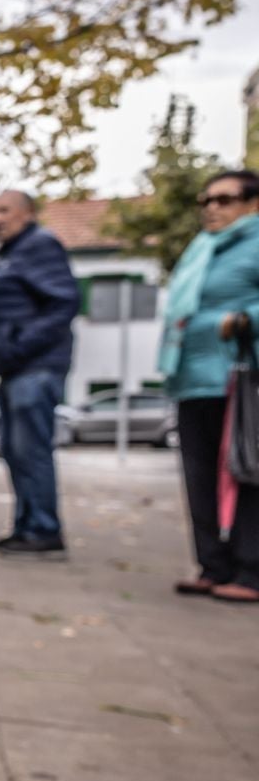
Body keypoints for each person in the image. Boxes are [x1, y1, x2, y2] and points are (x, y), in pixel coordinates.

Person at [161, 168, 259, 603]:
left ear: (252, 204)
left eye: (225, 199)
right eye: (207, 201)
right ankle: (212, 564)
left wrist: (243, 320)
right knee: (199, 474)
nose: (213, 208)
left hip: (240, 376)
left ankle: (250, 569)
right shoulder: (202, 249)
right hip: (193, 377)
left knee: (244, 471)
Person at [0, 190, 81, 558]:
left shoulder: (39, 245)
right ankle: (27, 527)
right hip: (15, 369)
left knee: (31, 451)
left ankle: (44, 530)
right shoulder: (12, 254)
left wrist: (18, 346)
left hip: (34, 367)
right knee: (17, 452)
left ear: (28, 213)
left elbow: (65, 301)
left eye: (4, 210)